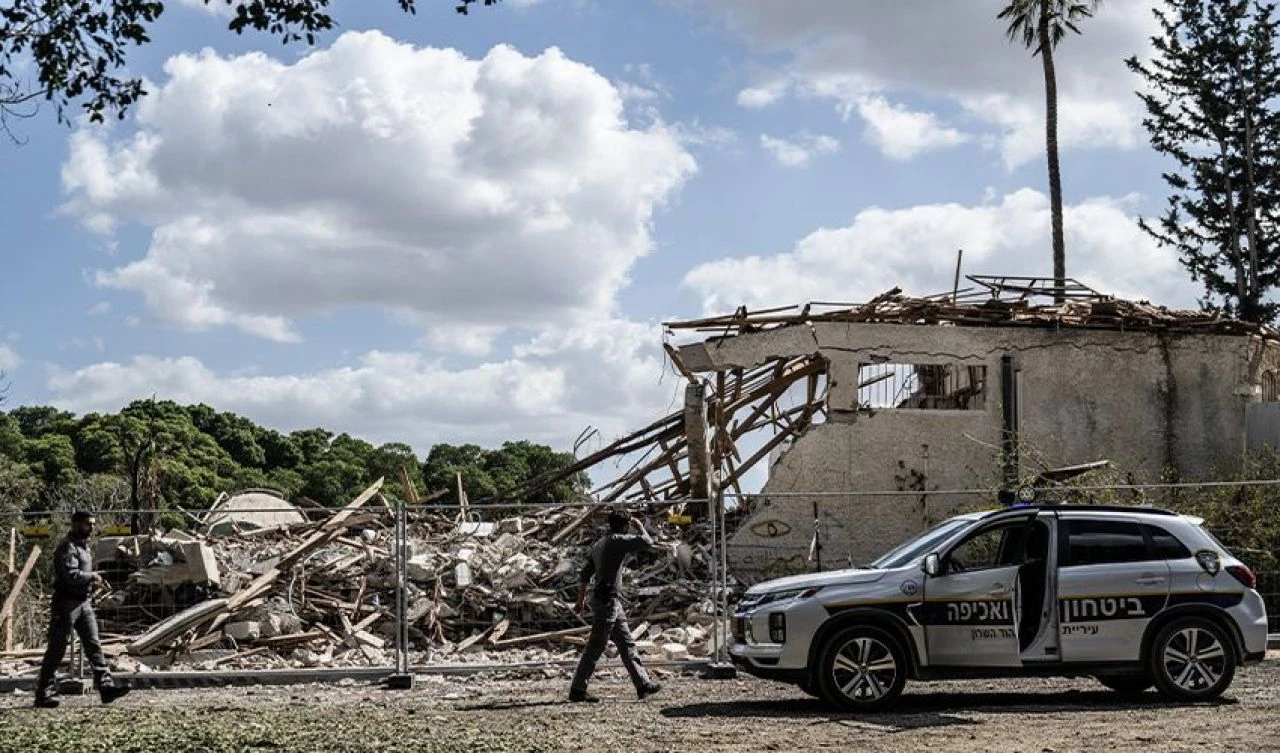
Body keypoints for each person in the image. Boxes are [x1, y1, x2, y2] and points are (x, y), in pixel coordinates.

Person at [569, 508, 670, 703]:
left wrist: (580, 600)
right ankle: (577, 689)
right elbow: (647, 542)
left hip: (608, 600)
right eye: (628, 525)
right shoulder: (617, 540)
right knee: (596, 646)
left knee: (626, 643)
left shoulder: (600, 543)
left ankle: (643, 684)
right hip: (607, 601)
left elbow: (584, 574)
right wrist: (640, 527)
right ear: (625, 526)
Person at [34, 510, 130, 708]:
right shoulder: (67, 547)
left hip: (83, 602)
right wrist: (92, 577)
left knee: (93, 644)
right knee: (57, 647)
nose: (92, 528)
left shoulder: (83, 547)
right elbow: (70, 575)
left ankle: (106, 687)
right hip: (66, 603)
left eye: (93, 524)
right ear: (76, 524)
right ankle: (43, 693)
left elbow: (80, 575)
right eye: (88, 524)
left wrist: (93, 582)